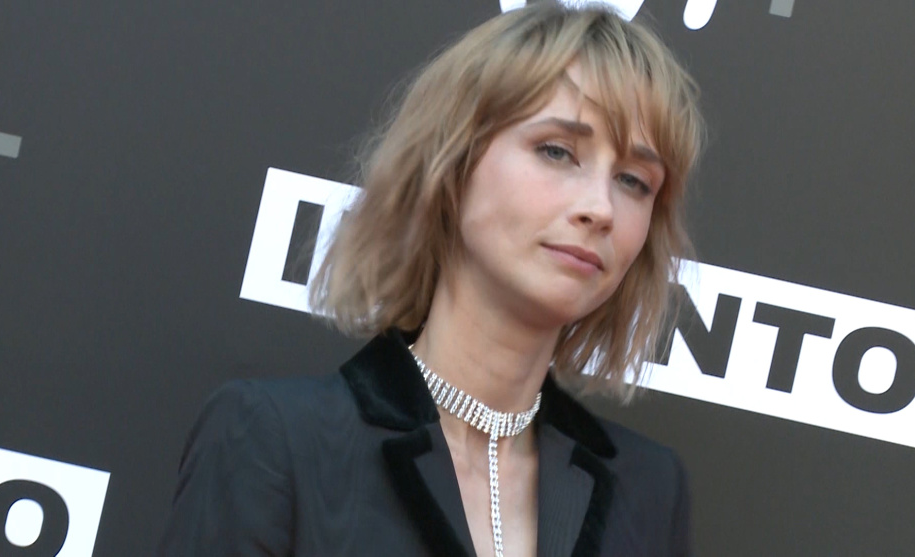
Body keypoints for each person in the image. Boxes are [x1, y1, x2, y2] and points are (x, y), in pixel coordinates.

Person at [158, 2, 703, 556]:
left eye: (634, 181)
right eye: (557, 151)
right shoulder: (275, 442)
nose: (600, 208)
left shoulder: (650, 492)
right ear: (453, 162)